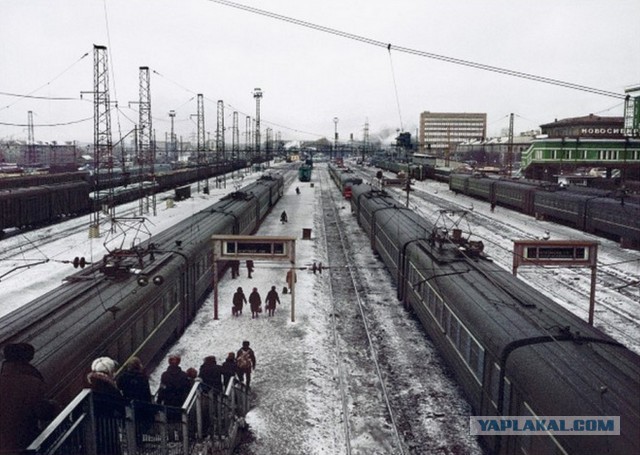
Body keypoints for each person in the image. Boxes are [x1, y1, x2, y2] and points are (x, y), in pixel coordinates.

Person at [0, 343, 55, 454]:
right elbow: (44, 413)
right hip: (23, 447)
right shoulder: (33, 383)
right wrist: (53, 406)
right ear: (27, 359)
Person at [87, 357, 125, 455]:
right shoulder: (110, 388)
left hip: (91, 429)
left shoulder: (89, 386)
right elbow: (121, 407)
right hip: (108, 428)